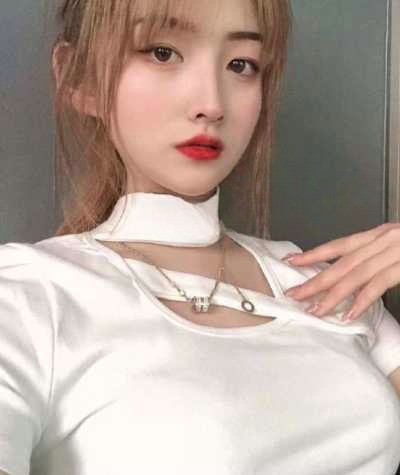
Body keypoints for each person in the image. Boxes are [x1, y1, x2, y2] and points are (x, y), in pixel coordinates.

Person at [0, 1, 399, 474]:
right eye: (162, 52)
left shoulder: (328, 282)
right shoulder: (29, 296)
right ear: (79, 77)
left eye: (241, 65)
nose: (212, 104)